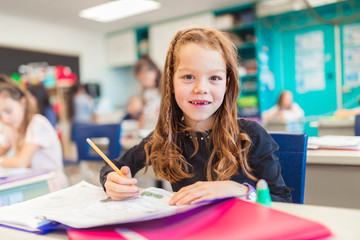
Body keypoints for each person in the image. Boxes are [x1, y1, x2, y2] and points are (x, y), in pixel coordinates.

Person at [100, 27, 292, 205]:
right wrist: (111, 181)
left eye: (214, 78)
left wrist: (240, 190)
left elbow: (282, 200)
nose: (201, 88)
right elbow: (114, 167)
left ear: (227, 84)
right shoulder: (165, 137)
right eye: (188, 77)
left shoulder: (252, 135)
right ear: (171, 83)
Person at [0, 74, 68, 192]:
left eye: (8, 111)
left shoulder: (37, 123)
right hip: (30, 181)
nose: (4, 119)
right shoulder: (11, 128)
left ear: (23, 102)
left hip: (51, 183)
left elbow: (21, 162)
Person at [134, 55, 161, 135]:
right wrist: (137, 130)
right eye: (141, 80)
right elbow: (144, 113)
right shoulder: (145, 91)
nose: (144, 83)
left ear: (155, 71)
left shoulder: (165, 88)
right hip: (146, 131)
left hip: (159, 131)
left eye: (146, 78)